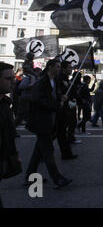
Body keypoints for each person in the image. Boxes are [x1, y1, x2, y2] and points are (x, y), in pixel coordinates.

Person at [25, 59, 72, 189]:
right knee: (48, 151)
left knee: (38, 151)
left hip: (50, 120)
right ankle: (57, 178)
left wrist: (60, 98)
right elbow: (38, 100)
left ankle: (29, 176)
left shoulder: (54, 81)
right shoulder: (41, 82)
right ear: (50, 67)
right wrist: (56, 104)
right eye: (57, 67)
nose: (59, 69)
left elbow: (52, 97)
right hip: (41, 121)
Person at [0, 62, 20, 207]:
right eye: (8, 79)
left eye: (13, 78)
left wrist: (12, 153)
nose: (13, 82)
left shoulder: (5, 102)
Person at [55, 61, 78, 160]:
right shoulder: (59, 79)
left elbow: (71, 92)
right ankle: (41, 154)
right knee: (54, 133)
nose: (71, 69)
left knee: (61, 133)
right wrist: (60, 98)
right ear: (63, 69)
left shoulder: (66, 79)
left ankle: (66, 153)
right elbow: (57, 93)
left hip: (65, 109)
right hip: (59, 109)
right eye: (69, 67)